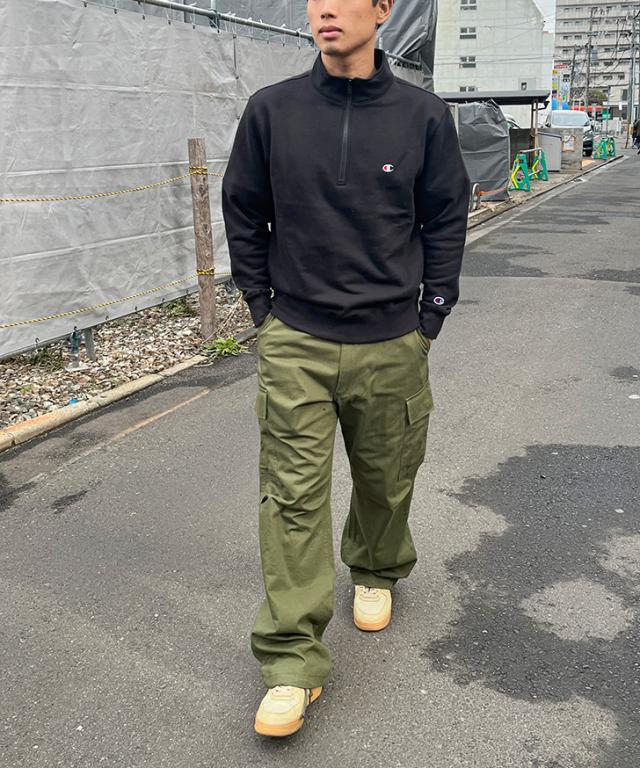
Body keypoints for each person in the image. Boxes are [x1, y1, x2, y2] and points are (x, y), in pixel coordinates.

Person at [222, 0, 470, 738]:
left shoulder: (423, 116)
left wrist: (432, 314)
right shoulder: (272, 111)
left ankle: (376, 566)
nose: (325, 9)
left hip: (392, 339)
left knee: (387, 475)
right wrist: (262, 310)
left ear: (382, 9)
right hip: (296, 338)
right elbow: (244, 210)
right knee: (291, 496)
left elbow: (445, 216)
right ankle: (291, 662)